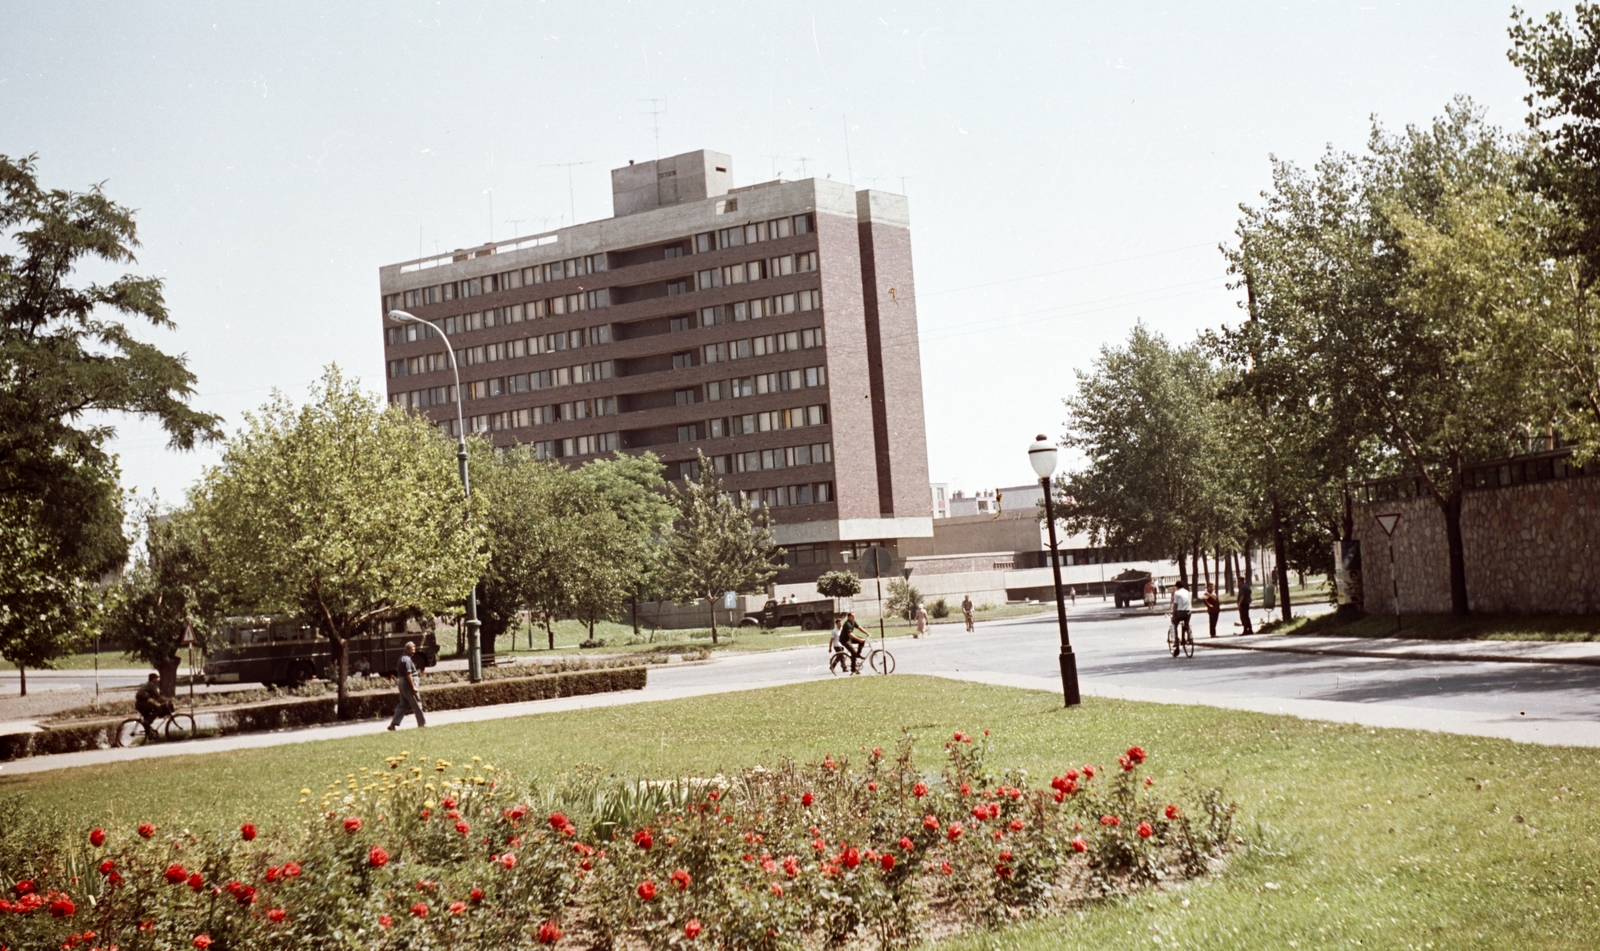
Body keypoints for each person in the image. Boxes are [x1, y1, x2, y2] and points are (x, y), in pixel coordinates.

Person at [387, 641, 427, 730]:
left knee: (403, 704)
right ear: (407, 649)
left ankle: (393, 724)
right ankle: (422, 724)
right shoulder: (407, 660)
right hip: (407, 683)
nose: (414, 651)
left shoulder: (402, 658)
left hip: (402, 682)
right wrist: (413, 686)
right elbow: (408, 674)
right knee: (417, 703)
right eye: (412, 649)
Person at [134, 673, 172, 738]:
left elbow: (155, 698)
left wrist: (161, 702)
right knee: (158, 709)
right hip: (143, 703)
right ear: (153, 679)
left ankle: (150, 734)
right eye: (156, 679)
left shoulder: (147, 685)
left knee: (147, 717)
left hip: (139, 704)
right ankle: (148, 723)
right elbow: (158, 696)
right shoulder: (151, 685)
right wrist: (167, 700)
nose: (157, 680)